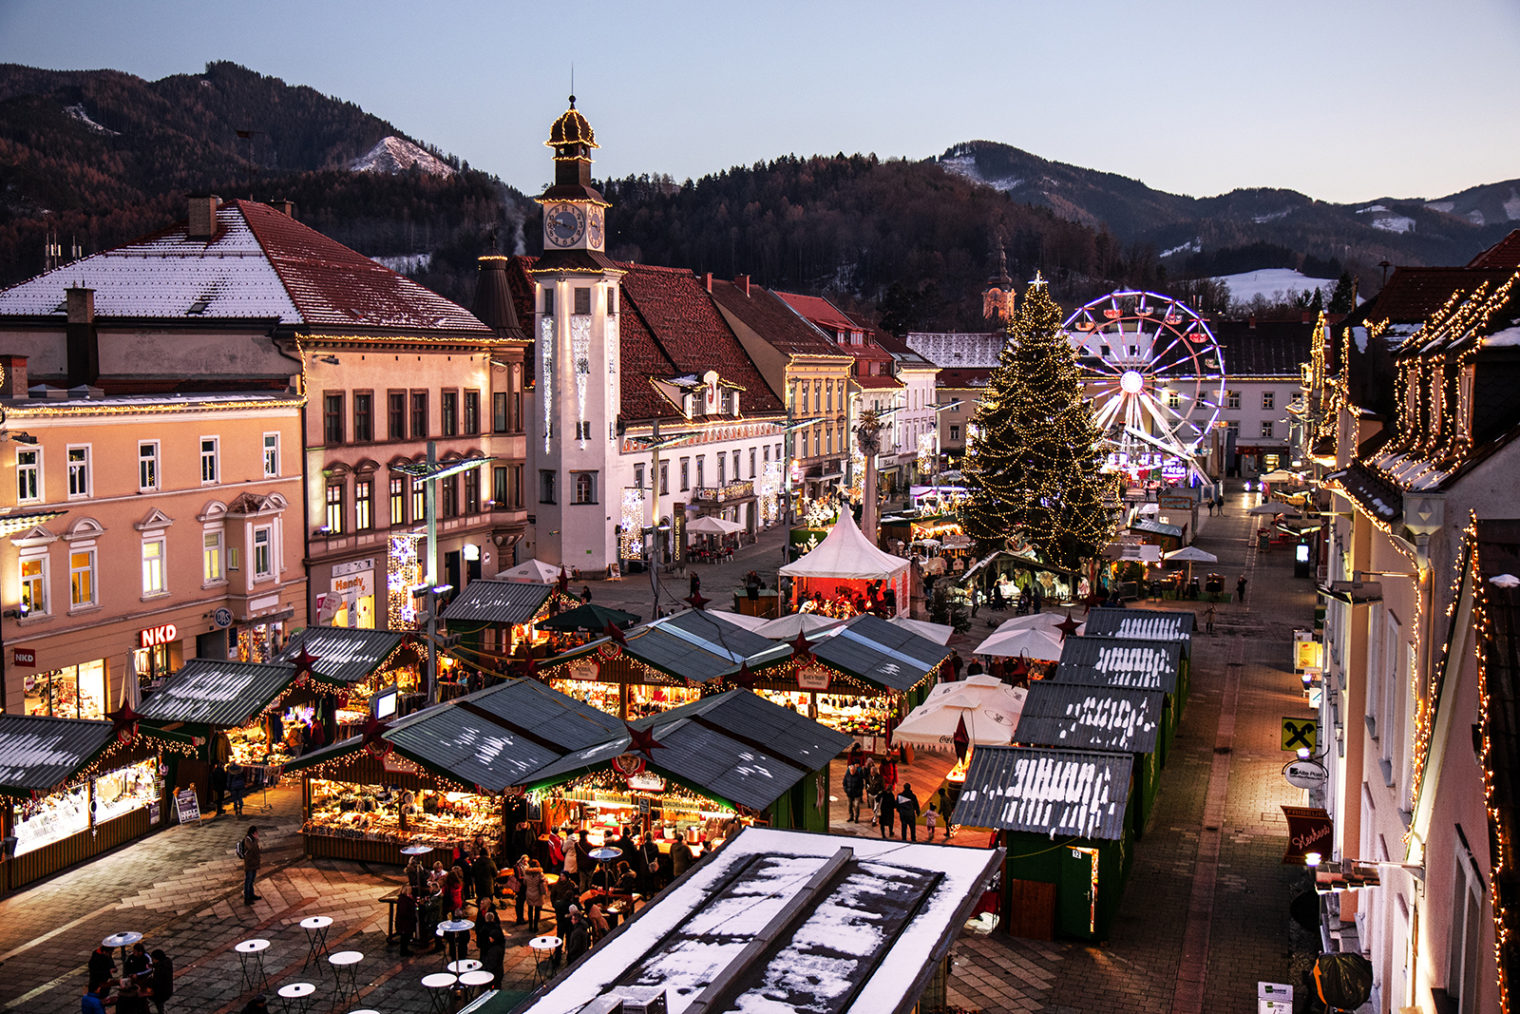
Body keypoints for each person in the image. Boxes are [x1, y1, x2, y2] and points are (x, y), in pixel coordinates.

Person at [476, 902, 506, 987]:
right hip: (498, 970)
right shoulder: (498, 930)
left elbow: (491, 963)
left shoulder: (494, 948)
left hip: (494, 971)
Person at [521, 858, 548, 933]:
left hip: (529, 893)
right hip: (537, 894)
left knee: (530, 910)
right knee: (537, 911)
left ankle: (530, 926)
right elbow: (544, 881)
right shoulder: (540, 874)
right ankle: (535, 927)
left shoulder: (526, 873)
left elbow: (524, 883)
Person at [241, 826, 261, 903]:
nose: (257, 834)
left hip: (254, 863)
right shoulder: (248, 839)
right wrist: (256, 840)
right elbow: (251, 848)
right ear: (253, 833)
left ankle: (251, 894)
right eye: (256, 832)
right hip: (249, 864)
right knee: (248, 880)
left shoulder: (253, 839)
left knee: (252, 880)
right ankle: (247, 898)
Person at [148, 949, 172, 1014]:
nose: (152, 960)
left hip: (160, 992)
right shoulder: (167, 962)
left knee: (159, 1004)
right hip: (167, 989)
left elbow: (156, 981)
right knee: (160, 1004)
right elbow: (160, 964)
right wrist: (153, 965)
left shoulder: (160, 970)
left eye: (153, 959)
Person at [396, 887, 418, 958]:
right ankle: (403, 951)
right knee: (404, 937)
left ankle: (405, 950)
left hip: (407, 922)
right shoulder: (403, 900)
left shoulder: (406, 898)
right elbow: (403, 912)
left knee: (406, 937)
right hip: (405, 923)